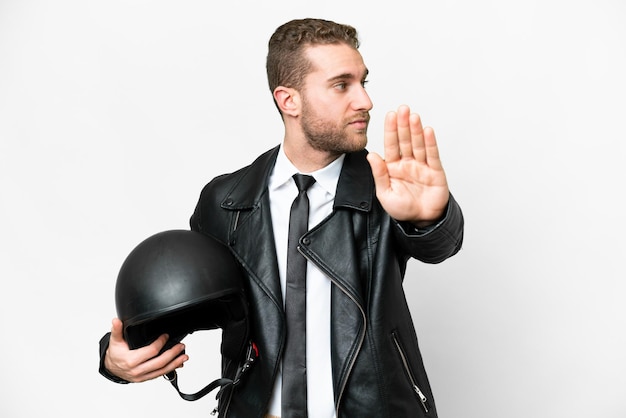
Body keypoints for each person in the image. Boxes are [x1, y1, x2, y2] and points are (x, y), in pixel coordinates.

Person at [99, 17, 464, 418]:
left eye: (363, 82)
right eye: (342, 85)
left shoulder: (385, 190)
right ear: (288, 100)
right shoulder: (226, 202)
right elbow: (185, 302)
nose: (365, 101)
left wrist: (430, 218)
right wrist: (115, 356)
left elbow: (438, 246)